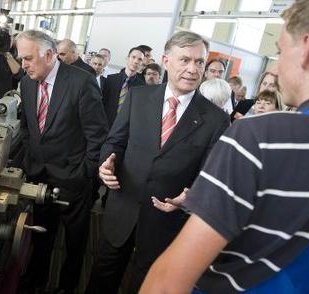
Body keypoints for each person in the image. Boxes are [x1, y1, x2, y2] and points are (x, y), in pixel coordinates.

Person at [141, 1, 309, 293]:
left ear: (307, 49)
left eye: (279, 52)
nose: (276, 68)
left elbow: (167, 283)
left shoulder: (259, 137)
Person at [86, 31, 230, 294]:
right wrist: (106, 164)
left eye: (200, 62)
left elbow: (210, 175)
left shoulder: (215, 119)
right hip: (123, 207)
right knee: (102, 275)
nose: (192, 69)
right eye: (185, 60)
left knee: (146, 284)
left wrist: (191, 197)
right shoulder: (138, 97)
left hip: (166, 223)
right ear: (166, 60)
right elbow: (114, 141)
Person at [15, 30, 108, 294]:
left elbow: (97, 135)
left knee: (74, 243)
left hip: (74, 179)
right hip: (39, 176)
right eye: (21, 59)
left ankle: (67, 286)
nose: (24, 65)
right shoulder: (27, 82)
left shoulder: (82, 82)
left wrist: (84, 174)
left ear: (48, 54)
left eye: (28, 58)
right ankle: (36, 281)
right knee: (41, 235)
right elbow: (27, 127)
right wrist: (26, 162)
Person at [102, 46, 145, 127]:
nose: (136, 61)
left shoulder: (142, 87)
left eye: (140, 59)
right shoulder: (111, 79)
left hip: (125, 129)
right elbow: (103, 104)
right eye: (133, 57)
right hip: (105, 125)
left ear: (142, 64)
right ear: (127, 58)